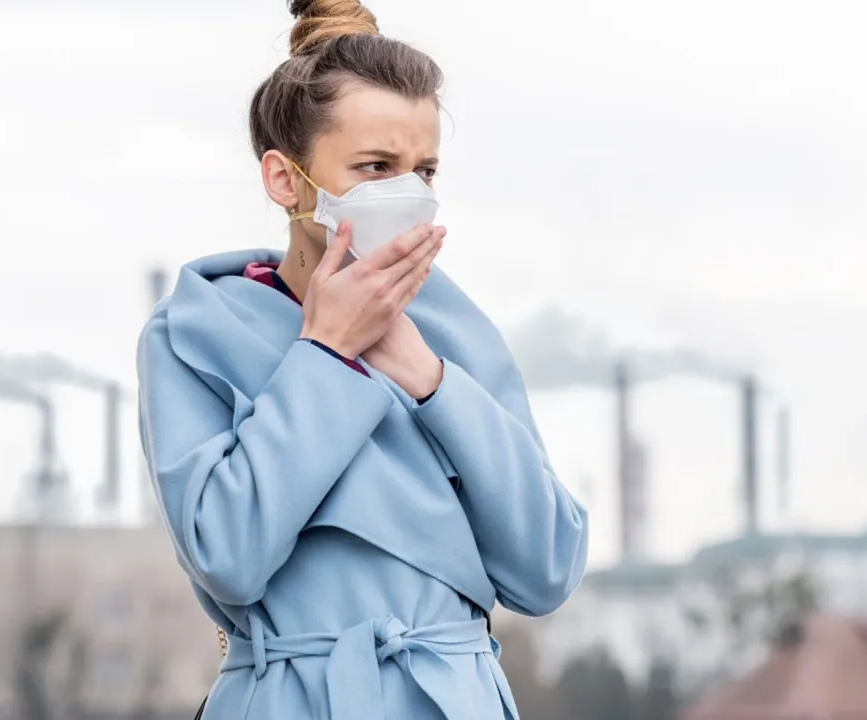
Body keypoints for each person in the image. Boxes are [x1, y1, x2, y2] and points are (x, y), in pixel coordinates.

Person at [135, 1, 590, 717]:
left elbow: (547, 570)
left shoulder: (458, 334)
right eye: (376, 167)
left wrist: (431, 381)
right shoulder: (194, 332)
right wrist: (324, 354)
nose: (407, 196)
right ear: (287, 180)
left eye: (425, 170)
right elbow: (227, 556)